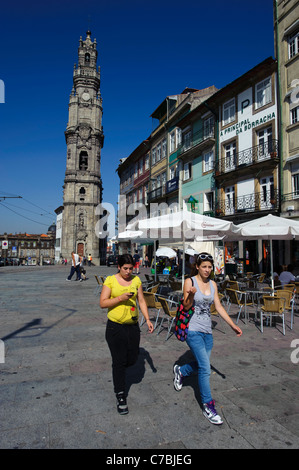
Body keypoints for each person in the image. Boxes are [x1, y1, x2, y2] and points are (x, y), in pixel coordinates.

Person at [173, 252, 242, 425]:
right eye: (204, 266)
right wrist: (190, 294)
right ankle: (208, 406)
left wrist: (232, 325)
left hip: (207, 332)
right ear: (197, 266)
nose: (207, 270)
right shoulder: (190, 281)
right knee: (205, 368)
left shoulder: (213, 284)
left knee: (201, 363)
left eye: (209, 267)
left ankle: (181, 371)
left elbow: (218, 306)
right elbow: (186, 305)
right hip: (193, 330)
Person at [100, 254, 154, 415]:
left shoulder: (136, 281)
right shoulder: (110, 280)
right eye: (125, 268)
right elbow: (103, 303)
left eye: (131, 268)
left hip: (132, 326)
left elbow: (142, 300)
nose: (128, 272)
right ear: (119, 266)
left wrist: (148, 318)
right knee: (119, 362)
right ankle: (121, 394)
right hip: (115, 328)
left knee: (133, 357)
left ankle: (122, 376)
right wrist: (120, 298)